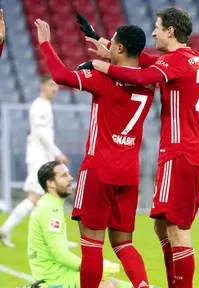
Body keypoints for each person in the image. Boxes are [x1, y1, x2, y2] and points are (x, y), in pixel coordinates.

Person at [80, 7, 199, 288]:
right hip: (191, 153)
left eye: (157, 27)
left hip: (180, 153)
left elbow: (141, 76)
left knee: (177, 231)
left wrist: (104, 66)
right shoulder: (192, 59)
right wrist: (107, 44)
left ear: (170, 31)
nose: (153, 33)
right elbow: (145, 61)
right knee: (162, 225)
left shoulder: (175, 61)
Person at [35, 19, 153, 288]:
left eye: (113, 43)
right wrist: (104, 44)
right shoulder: (149, 82)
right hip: (129, 173)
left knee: (91, 246)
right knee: (124, 244)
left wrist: (45, 41)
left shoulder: (102, 78)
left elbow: (61, 76)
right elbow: (134, 64)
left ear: (120, 48)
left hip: (99, 170)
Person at [27, 160, 134, 288]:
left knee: (116, 283)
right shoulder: (50, 210)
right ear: (50, 183)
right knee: (105, 285)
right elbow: (60, 254)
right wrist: (91, 268)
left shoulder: (50, 205)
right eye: (63, 176)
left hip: (60, 273)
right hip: (54, 279)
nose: (70, 178)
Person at [0, 75, 68, 248]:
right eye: (50, 84)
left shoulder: (45, 106)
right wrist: (57, 153)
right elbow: (41, 134)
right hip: (38, 159)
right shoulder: (39, 106)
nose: (55, 88)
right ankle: (6, 229)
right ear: (42, 86)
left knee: (45, 199)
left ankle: (51, 239)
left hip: (42, 158)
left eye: (56, 85)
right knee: (36, 198)